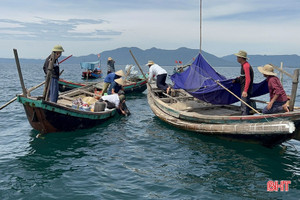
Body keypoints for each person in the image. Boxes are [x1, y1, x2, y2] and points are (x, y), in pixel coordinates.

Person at [233, 50, 254, 115]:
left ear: (241, 58)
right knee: (244, 105)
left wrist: (245, 91)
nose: (237, 58)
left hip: (246, 89)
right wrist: (236, 80)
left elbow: (248, 79)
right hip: (244, 88)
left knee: (244, 106)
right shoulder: (243, 65)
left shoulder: (246, 66)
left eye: (238, 57)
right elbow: (243, 77)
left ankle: (245, 120)